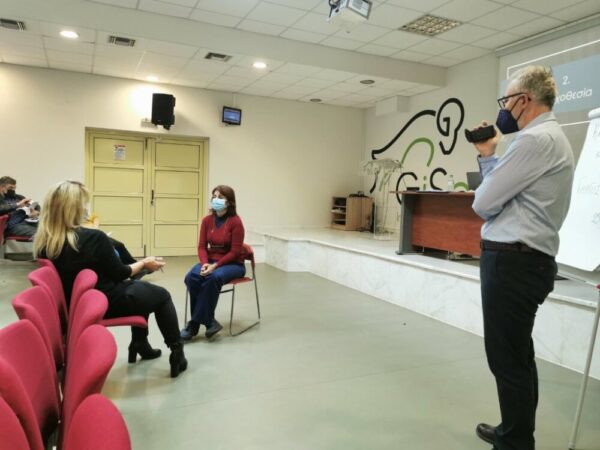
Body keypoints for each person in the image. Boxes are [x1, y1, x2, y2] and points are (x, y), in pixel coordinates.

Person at [469, 66, 574, 450]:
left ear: (523, 100)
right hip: (526, 260)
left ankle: (514, 443)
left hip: (513, 261)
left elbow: (483, 203)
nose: (504, 108)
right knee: (518, 355)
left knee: (507, 359)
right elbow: (500, 196)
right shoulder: (552, 138)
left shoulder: (533, 140)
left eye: (507, 100)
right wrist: (488, 155)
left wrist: (490, 161)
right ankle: (514, 432)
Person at [33, 181, 188, 378]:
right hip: (105, 302)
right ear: (73, 208)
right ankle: (177, 351)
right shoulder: (94, 238)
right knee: (161, 295)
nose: (85, 208)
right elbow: (121, 273)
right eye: (83, 204)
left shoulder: (44, 242)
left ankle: (140, 343)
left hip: (75, 305)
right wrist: (144, 263)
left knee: (142, 290)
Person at [180, 185, 246, 341]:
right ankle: (210, 322)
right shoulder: (207, 220)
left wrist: (215, 266)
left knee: (212, 277)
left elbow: (235, 252)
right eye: (214, 196)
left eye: (220, 197)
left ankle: (194, 324)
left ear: (229, 202)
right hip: (210, 261)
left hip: (233, 264)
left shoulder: (236, 222)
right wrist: (205, 264)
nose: (216, 200)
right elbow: (202, 247)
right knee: (192, 277)